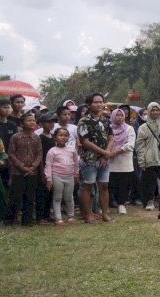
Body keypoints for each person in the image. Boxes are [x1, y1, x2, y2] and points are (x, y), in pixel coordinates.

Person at [77, 93, 114, 223]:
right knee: (88, 186)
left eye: (101, 102)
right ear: (89, 105)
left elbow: (111, 138)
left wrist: (106, 154)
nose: (99, 104)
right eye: (96, 102)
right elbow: (85, 142)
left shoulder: (106, 120)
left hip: (104, 159)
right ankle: (87, 215)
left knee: (104, 186)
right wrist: (104, 152)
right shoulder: (83, 121)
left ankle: (105, 214)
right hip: (89, 159)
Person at [4, 112, 42, 226]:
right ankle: (10, 220)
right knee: (15, 196)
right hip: (18, 172)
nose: (32, 122)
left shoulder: (36, 137)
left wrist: (33, 167)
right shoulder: (16, 137)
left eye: (33, 120)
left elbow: (39, 154)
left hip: (32, 172)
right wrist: (22, 167)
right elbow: (11, 154)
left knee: (30, 197)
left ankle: (27, 220)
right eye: (29, 120)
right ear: (21, 124)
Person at [44, 127, 79, 226]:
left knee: (69, 197)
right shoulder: (52, 151)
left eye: (66, 136)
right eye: (60, 135)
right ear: (55, 137)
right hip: (57, 176)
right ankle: (58, 218)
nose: (63, 138)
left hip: (70, 177)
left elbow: (76, 163)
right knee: (57, 197)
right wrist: (49, 179)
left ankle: (71, 216)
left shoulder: (72, 150)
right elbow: (48, 165)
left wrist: (76, 175)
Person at [108, 108, 135, 215]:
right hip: (110, 161)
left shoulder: (129, 128)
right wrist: (109, 153)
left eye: (121, 115)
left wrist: (115, 152)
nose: (119, 117)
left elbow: (130, 144)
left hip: (124, 161)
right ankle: (109, 203)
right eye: (117, 115)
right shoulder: (109, 128)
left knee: (124, 184)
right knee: (110, 184)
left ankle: (121, 204)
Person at [136, 102, 160, 211]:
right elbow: (139, 145)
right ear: (149, 111)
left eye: (157, 110)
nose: (155, 112)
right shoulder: (143, 127)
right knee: (148, 182)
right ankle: (149, 201)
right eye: (153, 110)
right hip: (149, 158)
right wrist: (142, 161)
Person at [35, 113, 57, 225]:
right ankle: (39, 217)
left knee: (50, 193)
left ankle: (47, 215)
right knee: (41, 193)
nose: (51, 124)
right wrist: (42, 171)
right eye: (48, 122)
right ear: (42, 124)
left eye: (53, 122)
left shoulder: (54, 137)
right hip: (43, 168)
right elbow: (39, 156)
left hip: (54, 168)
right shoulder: (40, 138)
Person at [0, 99, 18, 191]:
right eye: (4, 107)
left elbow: (15, 143)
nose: (7, 109)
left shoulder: (13, 125)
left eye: (8, 107)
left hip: (10, 159)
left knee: (8, 185)